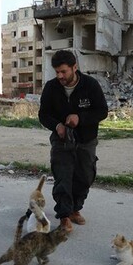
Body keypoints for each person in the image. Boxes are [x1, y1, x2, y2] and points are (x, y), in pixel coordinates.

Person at [38, 50, 108, 233]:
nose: (60, 76)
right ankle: (63, 215)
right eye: (57, 72)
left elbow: (102, 111)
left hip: (86, 140)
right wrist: (57, 126)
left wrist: (80, 118)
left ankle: (75, 209)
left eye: (63, 71)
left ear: (74, 68)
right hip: (61, 141)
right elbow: (43, 115)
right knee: (62, 176)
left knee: (85, 177)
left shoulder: (90, 85)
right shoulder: (51, 87)